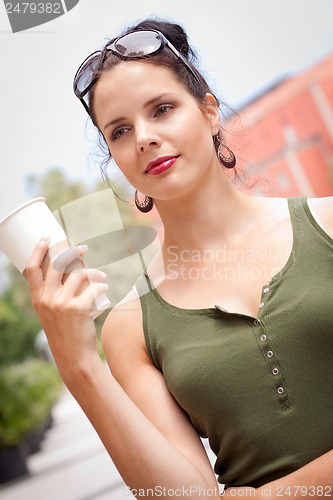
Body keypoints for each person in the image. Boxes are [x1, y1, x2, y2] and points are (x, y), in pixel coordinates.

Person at [25, 18, 333, 498]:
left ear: (209, 112)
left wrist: (272, 495)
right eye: (120, 130)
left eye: (162, 109)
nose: (144, 137)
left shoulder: (328, 226)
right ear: (115, 157)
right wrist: (79, 366)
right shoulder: (130, 327)